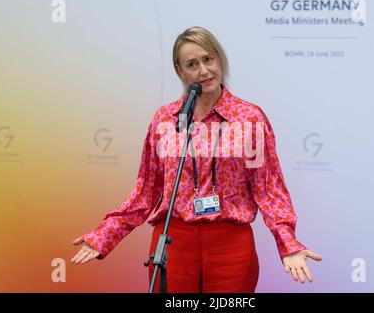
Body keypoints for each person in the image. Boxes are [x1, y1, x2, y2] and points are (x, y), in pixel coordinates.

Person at [71, 26, 322, 292]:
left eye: (208, 59)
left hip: (230, 248)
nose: (203, 70)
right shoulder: (165, 120)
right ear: (180, 71)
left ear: (219, 59)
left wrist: (289, 245)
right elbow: (145, 192)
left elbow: (269, 190)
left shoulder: (250, 118)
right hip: (173, 245)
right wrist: (105, 235)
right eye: (192, 64)